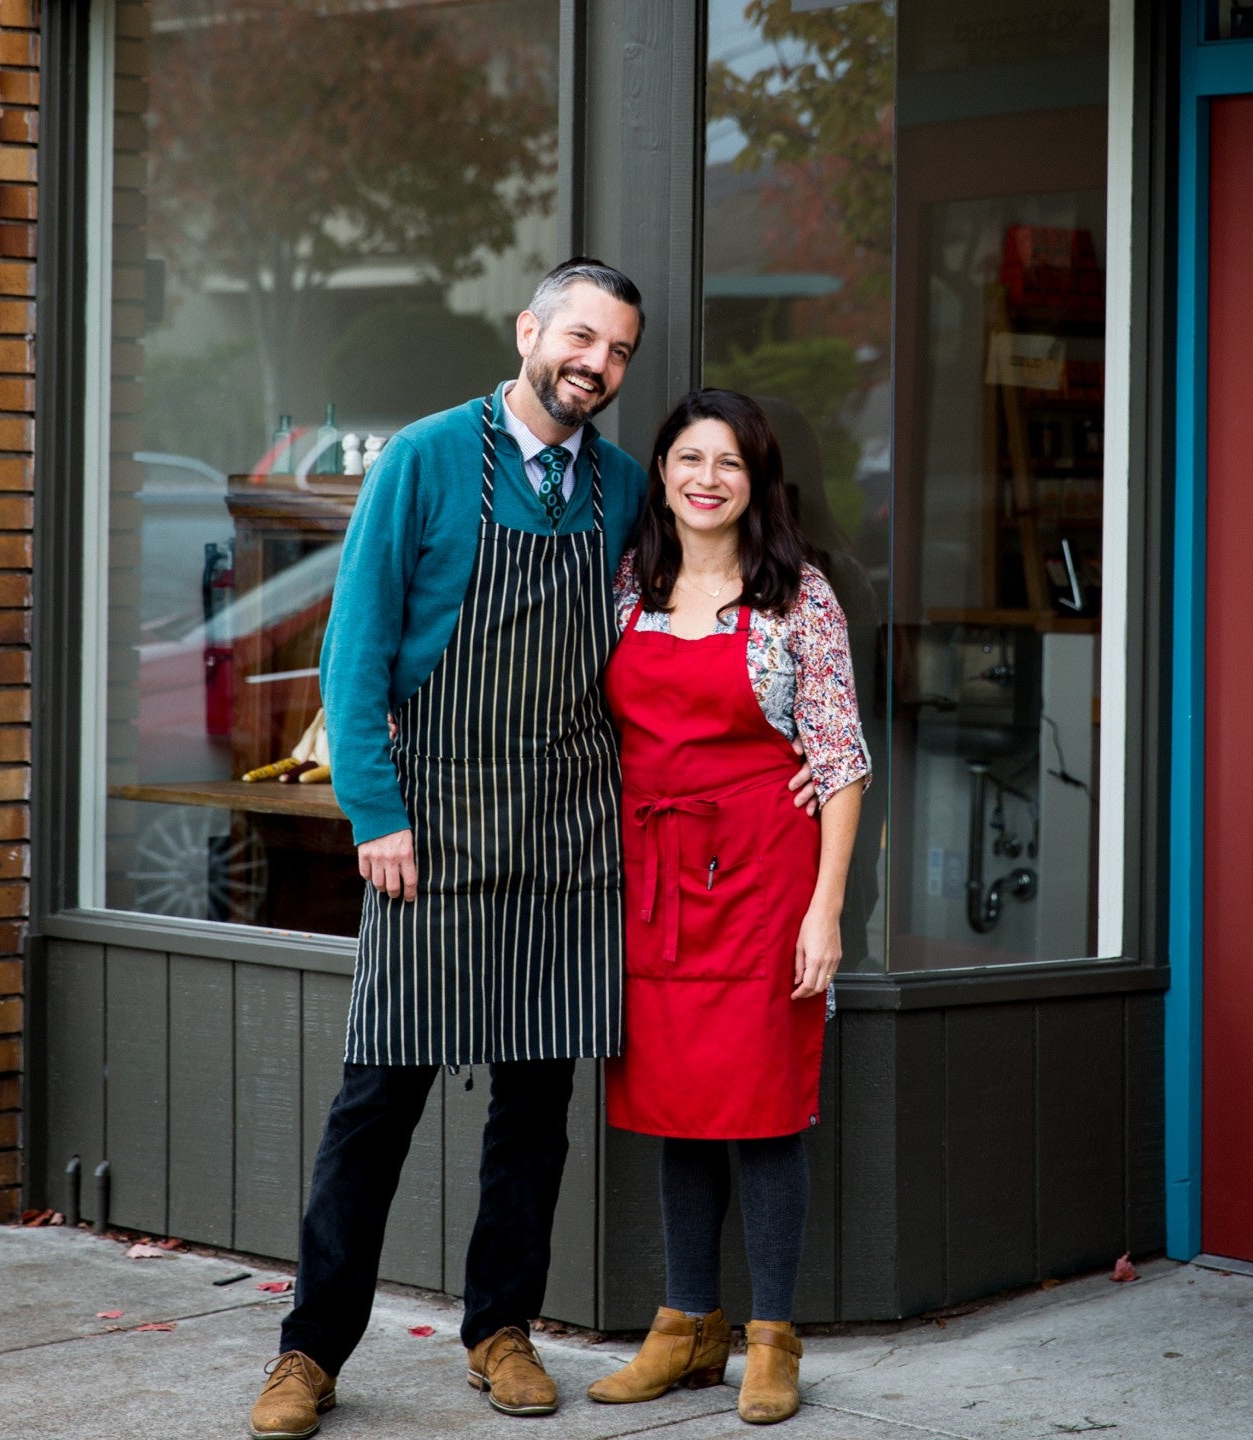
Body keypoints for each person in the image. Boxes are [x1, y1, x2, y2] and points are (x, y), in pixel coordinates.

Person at [248, 263, 817, 1439]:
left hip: (568, 839)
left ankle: (500, 1330)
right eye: (579, 336)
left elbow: (690, 644)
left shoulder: (622, 491)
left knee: (533, 1110)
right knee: (377, 1100)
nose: (594, 364)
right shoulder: (425, 458)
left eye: (616, 351)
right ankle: (310, 1349)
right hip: (432, 828)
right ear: (530, 331)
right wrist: (376, 809)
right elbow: (353, 650)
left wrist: (802, 748)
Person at [588, 389, 869, 1426]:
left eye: (731, 464)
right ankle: (684, 1327)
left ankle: (771, 1338)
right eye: (689, 458)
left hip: (764, 881)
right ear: (660, 472)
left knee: (762, 1110)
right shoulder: (629, 586)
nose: (707, 479)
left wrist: (825, 911)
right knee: (679, 1108)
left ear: (758, 484)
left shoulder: (801, 598)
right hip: (652, 885)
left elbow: (840, 762)